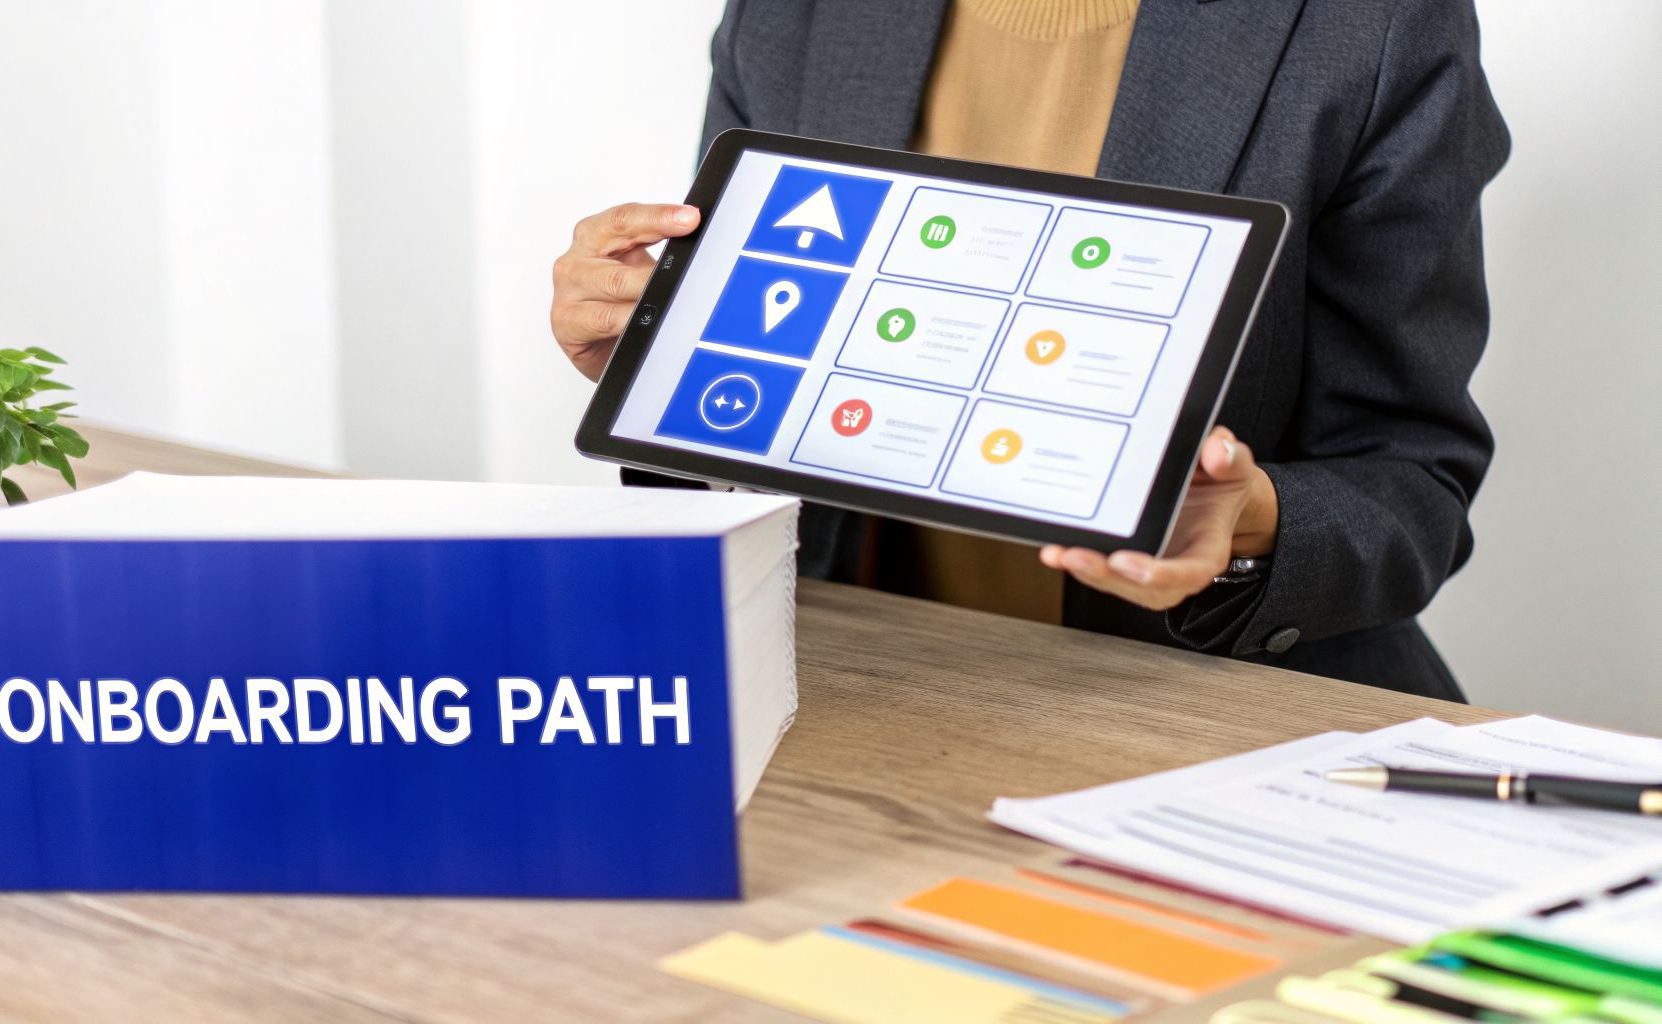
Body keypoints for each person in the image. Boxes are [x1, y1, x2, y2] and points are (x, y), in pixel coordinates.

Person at [549, 0, 1509, 701]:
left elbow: (1414, 484)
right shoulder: (795, 15)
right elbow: (760, 406)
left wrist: (1246, 524)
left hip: (1203, 721)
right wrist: (659, 364)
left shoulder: (1371, 25)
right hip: (855, 700)